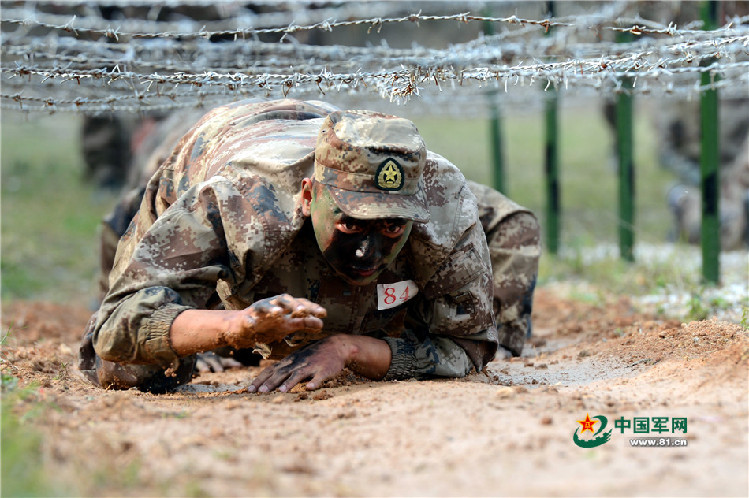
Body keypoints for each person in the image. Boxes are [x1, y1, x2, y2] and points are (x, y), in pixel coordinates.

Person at [78, 98, 539, 393]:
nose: (369, 252)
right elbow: (118, 328)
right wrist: (234, 328)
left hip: (316, 136)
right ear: (307, 196)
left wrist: (348, 349)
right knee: (127, 372)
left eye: (391, 228)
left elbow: (469, 347)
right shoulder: (239, 201)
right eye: (352, 226)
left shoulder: (444, 208)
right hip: (213, 146)